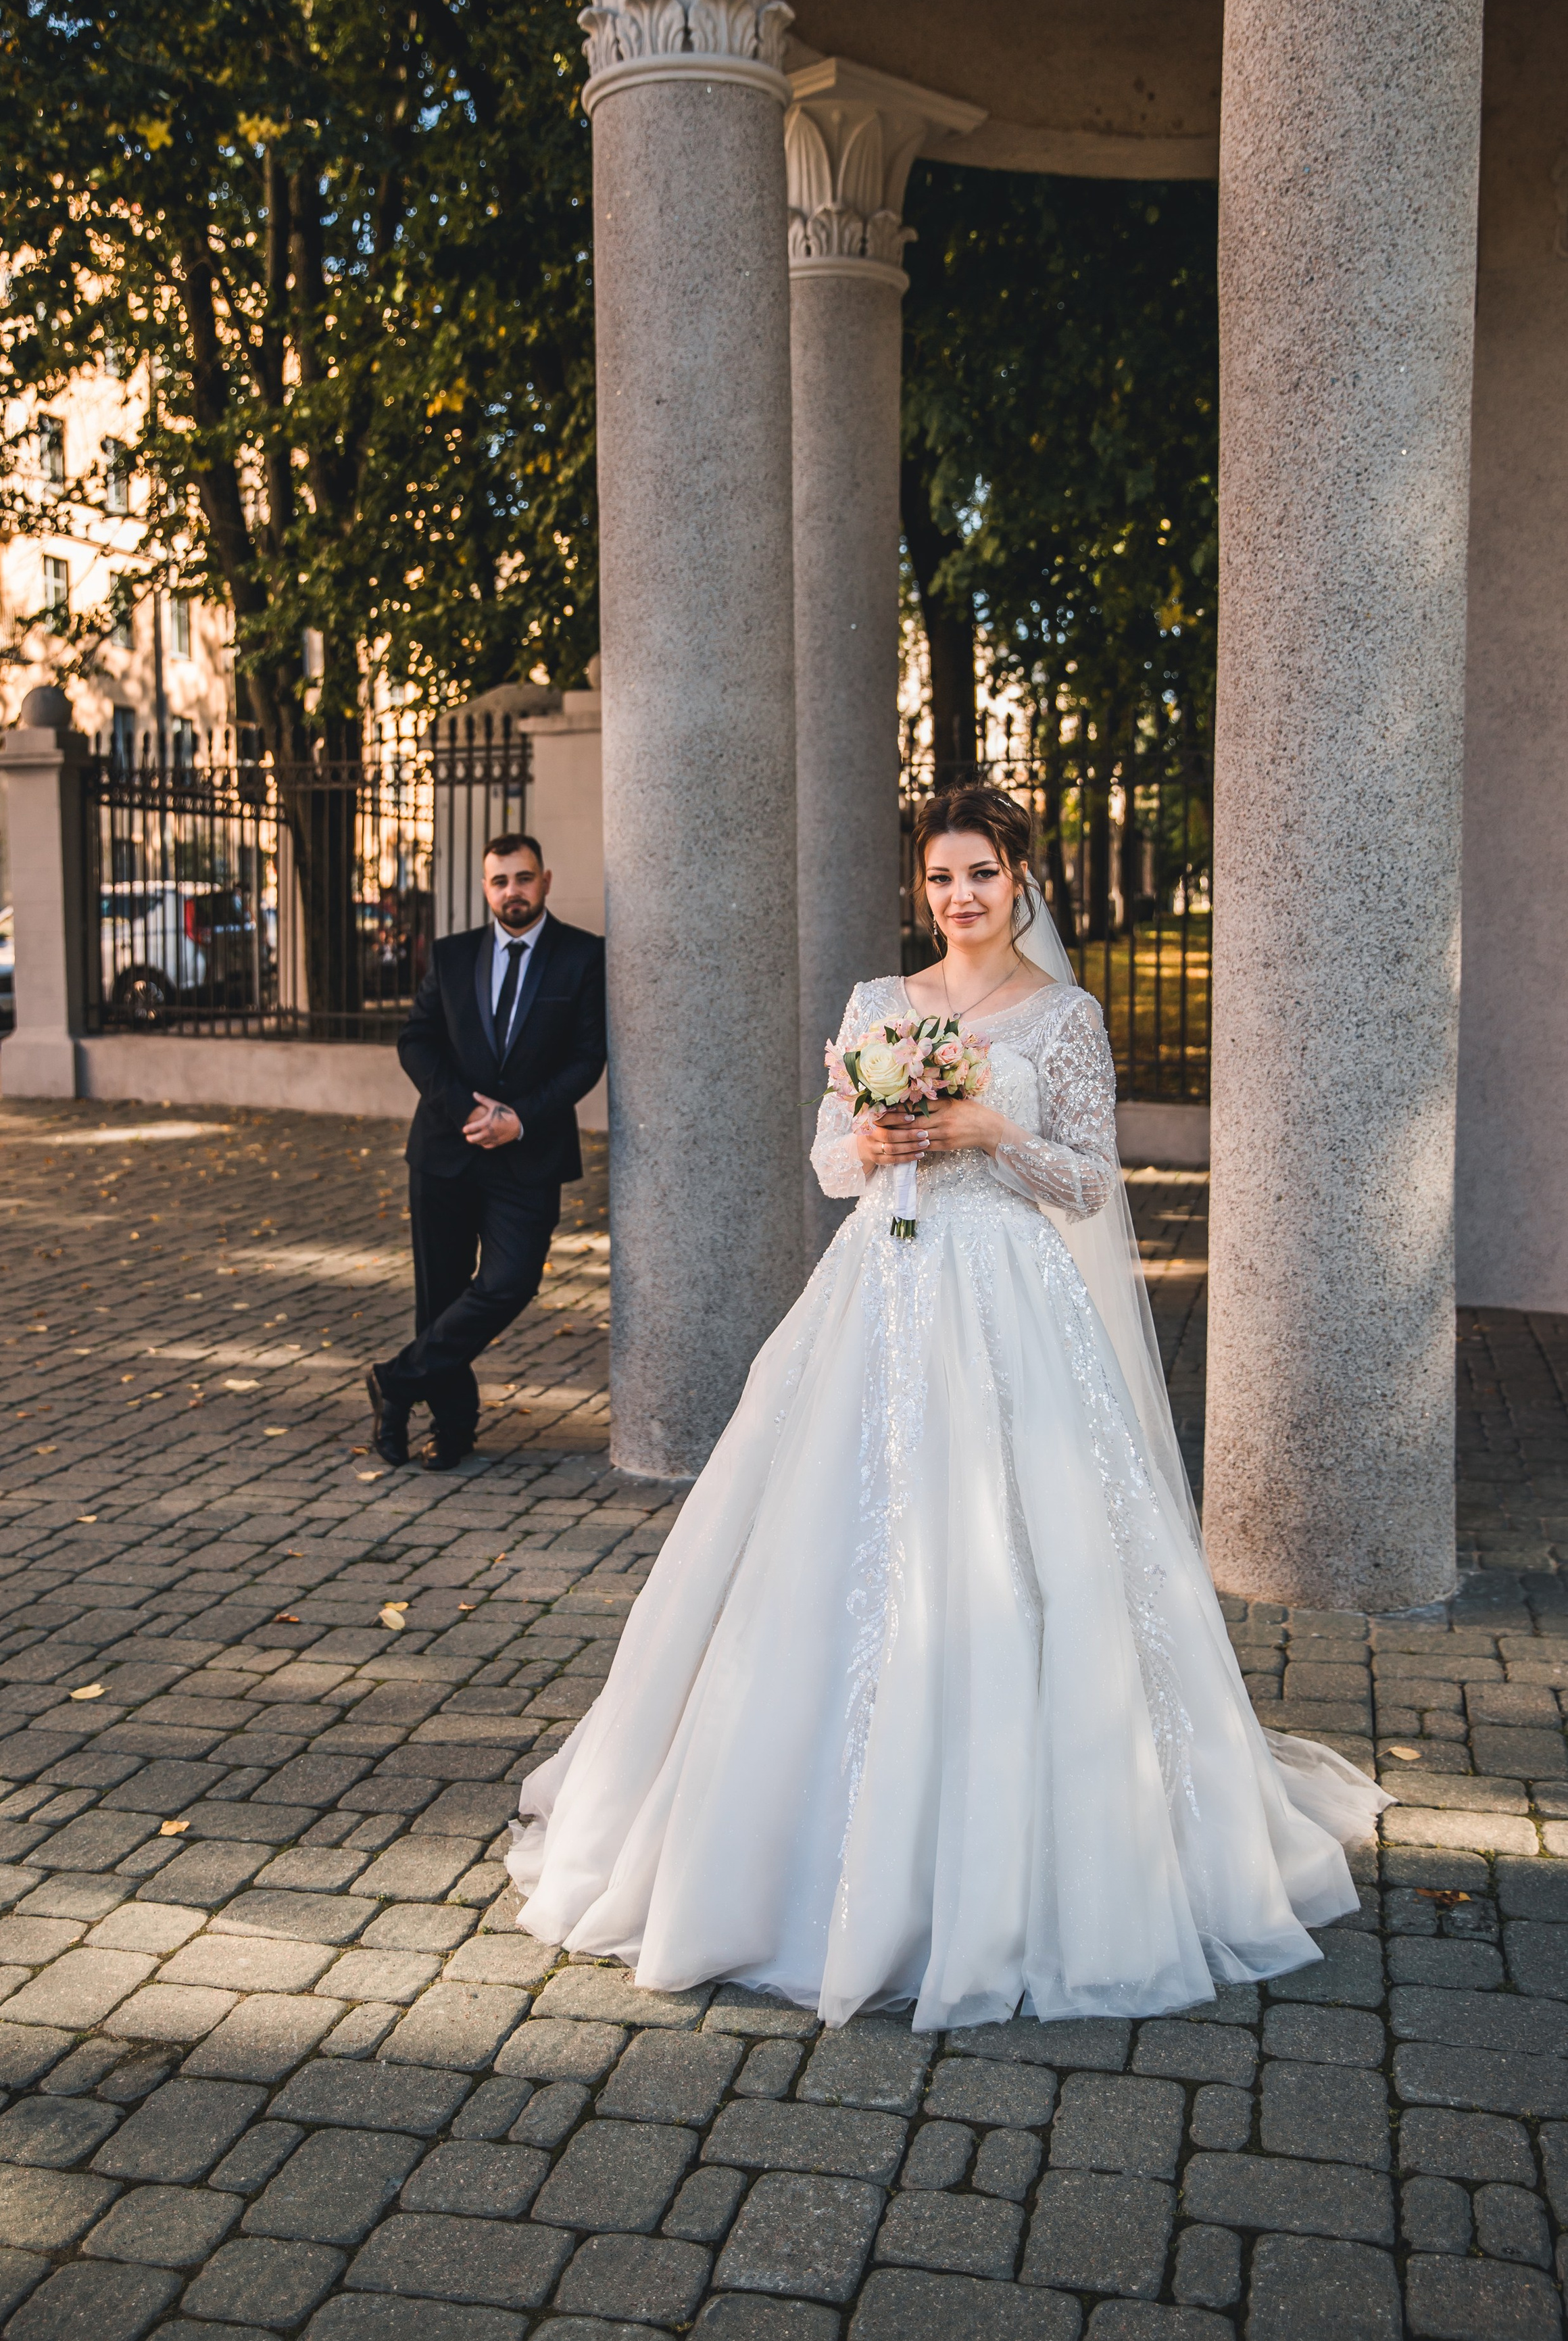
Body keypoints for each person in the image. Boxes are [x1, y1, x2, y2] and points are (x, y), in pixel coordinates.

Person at [508, 784, 1387, 2029]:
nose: (959, 897)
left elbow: (1089, 1182)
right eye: (939, 878)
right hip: (879, 1293)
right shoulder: (880, 1006)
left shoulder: (1066, 1018)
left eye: (980, 873)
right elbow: (825, 1159)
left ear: (1021, 878)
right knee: (829, 1544)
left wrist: (984, 1129)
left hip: (1012, 1303)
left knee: (1035, 1556)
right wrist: (869, 1148)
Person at [367, 833, 606, 1471]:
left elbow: (589, 1057)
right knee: (439, 1297)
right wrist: (469, 1111)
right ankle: (452, 1427)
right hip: (445, 1152)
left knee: (510, 1281)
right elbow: (416, 1041)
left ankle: (396, 1380)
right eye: (500, 881)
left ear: (546, 881)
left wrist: (520, 1118)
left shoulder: (583, 957)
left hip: (527, 1157)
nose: (513, 892)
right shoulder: (450, 957)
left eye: (523, 878)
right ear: (485, 888)